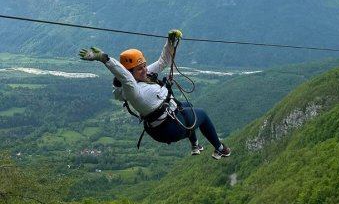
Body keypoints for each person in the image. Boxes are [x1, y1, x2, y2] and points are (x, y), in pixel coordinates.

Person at [79, 29, 231, 160]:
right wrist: (105, 59)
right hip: (168, 129)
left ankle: (195, 146)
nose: (145, 70)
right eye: (139, 68)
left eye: (144, 66)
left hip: (165, 122)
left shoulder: (143, 76)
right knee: (202, 115)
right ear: (130, 72)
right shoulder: (133, 90)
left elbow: (162, 62)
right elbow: (124, 76)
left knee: (188, 106)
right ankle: (220, 148)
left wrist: (170, 41)